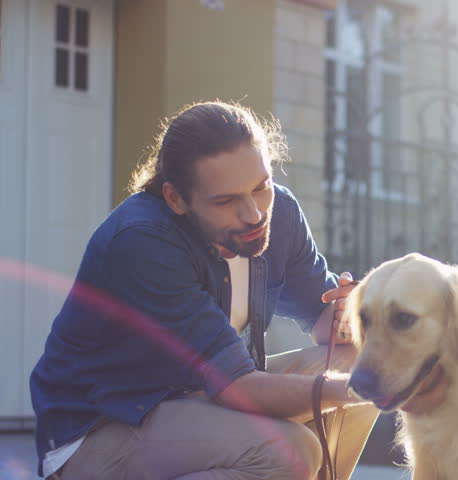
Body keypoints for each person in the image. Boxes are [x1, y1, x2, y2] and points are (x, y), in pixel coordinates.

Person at [30, 101, 377, 480]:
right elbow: (238, 389)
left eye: (260, 187)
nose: (254, 214)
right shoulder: (144, 241)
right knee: (291, 451)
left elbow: (326, 321)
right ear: (175, 198)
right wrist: (361, 389)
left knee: (363, 358)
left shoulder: (280, 214)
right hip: (101, 429)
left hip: (198, 401)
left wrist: (354, 315)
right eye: (226, 201)